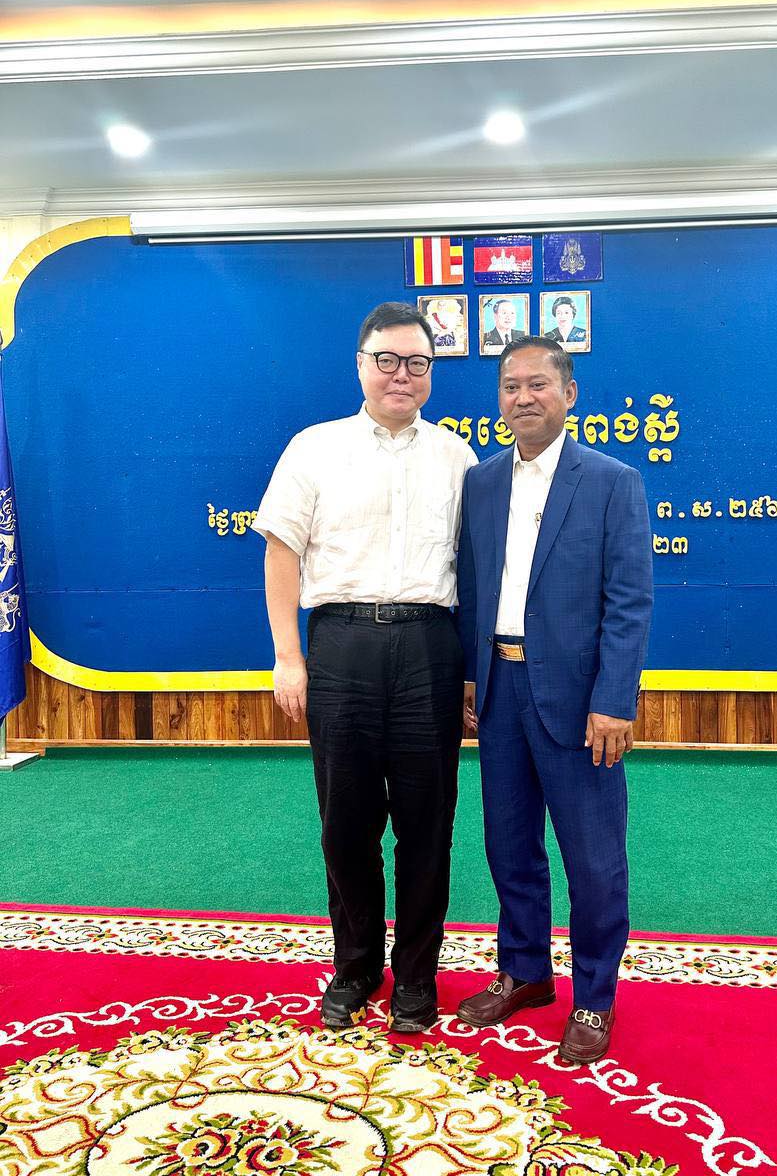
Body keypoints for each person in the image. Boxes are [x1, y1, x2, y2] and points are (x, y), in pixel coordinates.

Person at [253, 301, 477, 1035]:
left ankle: (416, 976)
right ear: (360, 365)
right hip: (341, 646)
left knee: (427, 825)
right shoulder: (314, 449)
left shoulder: (457, 459)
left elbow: (474, 574)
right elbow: (281, 553)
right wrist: (289, 657)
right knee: (345, 824)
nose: (401, 375)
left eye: (417, 363)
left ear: (431, 373)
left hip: (429, 649)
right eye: (387, 360)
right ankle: (354, 968)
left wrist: (472, 673)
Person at [455, 336, 652, 1064]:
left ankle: (595, 998)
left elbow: (629, 601)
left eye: (538, 384)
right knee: (508, 846)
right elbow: (472, 587)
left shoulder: (612, 482)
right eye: (510, 386)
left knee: (594, 860)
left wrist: (615, 699)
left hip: (581, 702)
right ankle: (525, 972)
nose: (523, 397)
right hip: (500, 690)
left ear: (570, 394)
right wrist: (471, 676)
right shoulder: (480, 483)